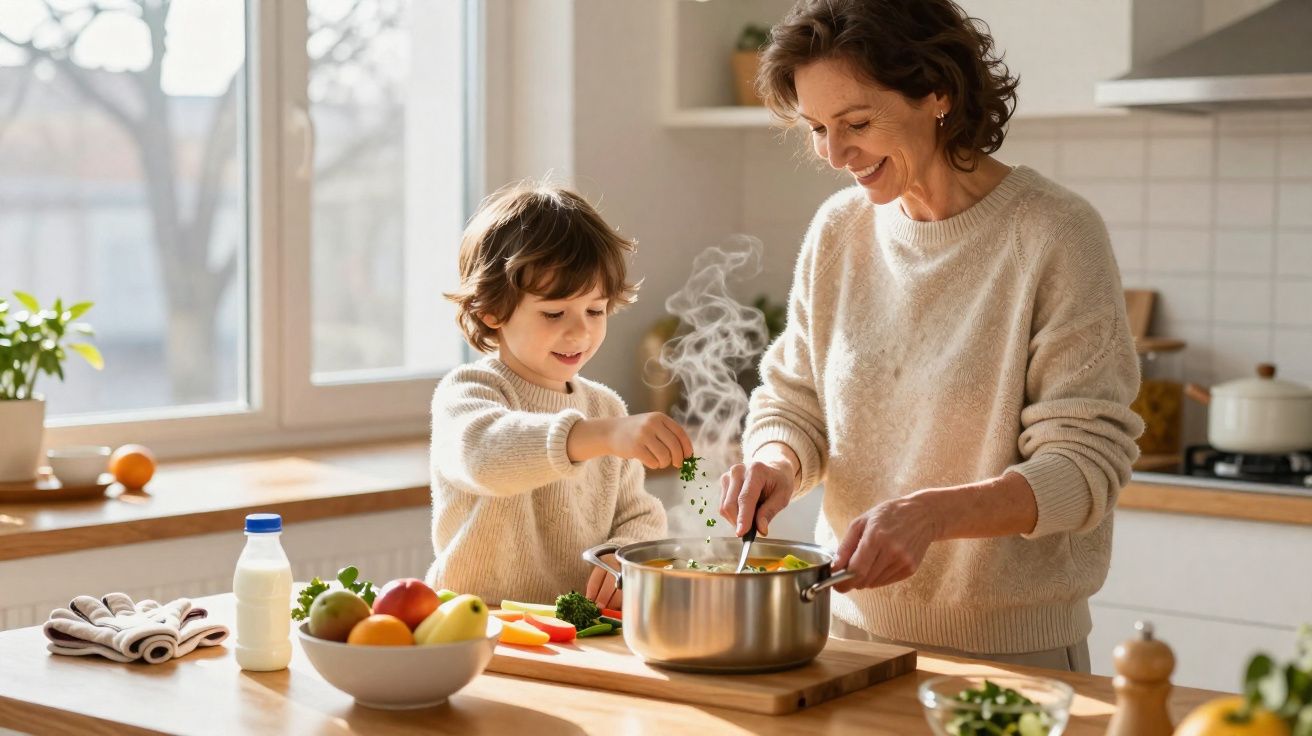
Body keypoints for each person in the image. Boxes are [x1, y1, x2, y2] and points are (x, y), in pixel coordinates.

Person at [719, 0, 1143, 672]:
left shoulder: (1054, 234)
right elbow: (793, 398)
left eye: (856, 123)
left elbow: (1085, 468)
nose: (833, 154)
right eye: (817, 128)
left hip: (1014, 654)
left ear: (938, 93)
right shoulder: (839, 231)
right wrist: (776, 461)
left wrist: (933, 516)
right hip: (846, 637)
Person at [429, 182, 692, 610]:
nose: (581, 332)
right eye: (554, 313)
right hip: (477, 627)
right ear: (490, 311)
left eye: (595, 310)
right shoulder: (468, 392)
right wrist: (600, 436)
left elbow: (641, 515)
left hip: (580, 631)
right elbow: (484, 457)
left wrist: (622, 553)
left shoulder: (605, 409)